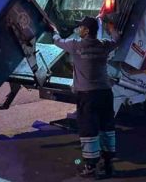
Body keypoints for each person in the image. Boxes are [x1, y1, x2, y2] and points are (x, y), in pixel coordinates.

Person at [51, 16, 122, 179]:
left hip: (87, 95)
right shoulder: (103, 45)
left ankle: (91, 167)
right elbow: (117, 40)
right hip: (105, 93)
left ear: (87, 30)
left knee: (89, 130)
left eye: (81, 28)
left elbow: (57, 41)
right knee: (107, 128)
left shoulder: (75, 45)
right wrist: (111, 27)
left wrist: (53, 30)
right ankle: (108, 164)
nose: (78, 30)